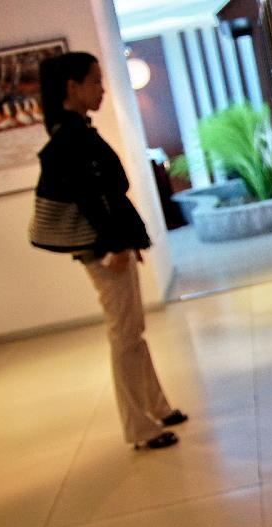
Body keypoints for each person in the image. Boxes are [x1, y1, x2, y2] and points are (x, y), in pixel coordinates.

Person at [34, 52, 187, 450]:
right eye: (95, 80)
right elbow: (93, 199)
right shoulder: (71, 138)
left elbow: (103, 195)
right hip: (104, 250)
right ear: (72, 87)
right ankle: (139, 427)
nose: (102, 88)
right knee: (124, 335)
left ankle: (157, 406)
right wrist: (117, 245)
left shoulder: (75, 131)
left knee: (132, 331)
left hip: (111, 246)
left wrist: (126, 242)